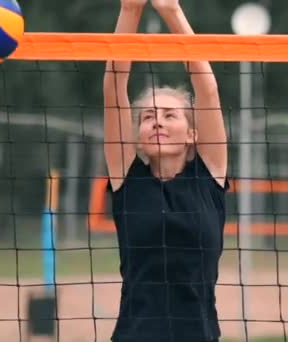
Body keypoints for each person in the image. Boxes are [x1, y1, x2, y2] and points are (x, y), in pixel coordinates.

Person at [103, 0, 228, 341]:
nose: (157, 121)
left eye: (169, 115)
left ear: (192, 134)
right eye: (147, 117)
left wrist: (172, 11)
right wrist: (130, 11)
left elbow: (208, 90)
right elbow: (114, 88)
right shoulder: (127, 180)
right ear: (138, 138)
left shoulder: (209, 176)